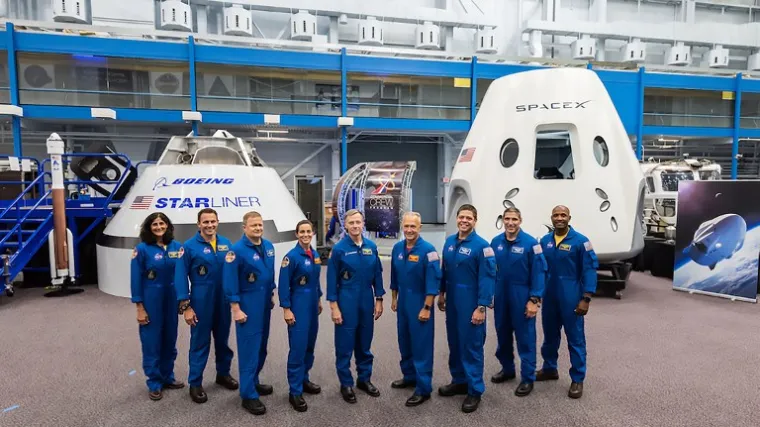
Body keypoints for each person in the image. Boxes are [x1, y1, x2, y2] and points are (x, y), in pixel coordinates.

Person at [174, 208, 238, 404]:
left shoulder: (226, 244)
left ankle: (223, 374)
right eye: (206, 222)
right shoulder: (189, 247)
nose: (210, 225)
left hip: (223, 300)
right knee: (199, 342)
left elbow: (233, 272)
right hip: (201, 300)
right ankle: (195, 383)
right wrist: (186, 306)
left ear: (217, 222)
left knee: (222, 340)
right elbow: (180, 276)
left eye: (213, 221)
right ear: (199, 224)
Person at [437, 204, 496, 413]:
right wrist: (442, 293)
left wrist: (481, 307)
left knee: (472, 345)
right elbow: (444, 270)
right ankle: (459, 381)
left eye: (469, 218)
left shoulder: (483, 246)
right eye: (461, 217)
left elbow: (488, 278)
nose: (464, 221)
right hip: (452, 300)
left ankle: (474, 389)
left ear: (475, 221)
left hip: (471, 301)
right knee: (455, 343)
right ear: (457, 218)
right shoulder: (449, 242)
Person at [537, 205, 599, 399]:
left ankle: (578, 378)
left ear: (569, 218)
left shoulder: (581, 242)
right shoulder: (545, 241)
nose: (559, 218)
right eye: (556, 215)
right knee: (550, 336)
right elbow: (539, 268)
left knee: (575, 338)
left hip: (571, 295)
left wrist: (586, 298)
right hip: (549, 296)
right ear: (551, 218)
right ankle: (549, 368)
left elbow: (590, 270)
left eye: (563, 215)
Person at [326, 209, 385, 404]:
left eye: (358, 222)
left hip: (366, 299)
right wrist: (334, 307)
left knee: (364, 342)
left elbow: (377, 274)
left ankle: (364, 379)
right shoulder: (339, 249)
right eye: (351, 223)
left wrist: (379, 299)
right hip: (346, 299)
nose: (355, 226)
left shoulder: (371, 247)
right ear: (345, 225)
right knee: (344, 344)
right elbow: (331, 280)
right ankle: (346, 383)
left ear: (363, 223)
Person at [222, 211, 277, 416]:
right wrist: (235, 308)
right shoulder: (235, 251)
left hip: (264, 302)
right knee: (249, 349)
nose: (258, 228)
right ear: (244, 227)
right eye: (253, 225)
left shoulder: (268, 247)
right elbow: (230, 281)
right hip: (247, 303)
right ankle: (248, 394)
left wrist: (271, 294)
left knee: (261, 346)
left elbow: (269, 274)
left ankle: (253, 381)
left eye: (260, 225)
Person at [489, 207, 547, 397]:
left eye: (514, 219)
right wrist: (489, 293)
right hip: (501, 295)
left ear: (520, 221)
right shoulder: (495, 242)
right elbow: (489, 270)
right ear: (503, 220)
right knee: (502, 333)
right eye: (507, 219)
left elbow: (539, 273)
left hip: (522, 294)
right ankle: (507, 369)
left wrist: (534, 299)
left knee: (525, 337)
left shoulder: (531, 244)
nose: (510, 223)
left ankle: (528, 377)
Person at [130, 212, 185, 401]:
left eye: (162, 223)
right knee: (152, 341)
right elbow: (135, 279)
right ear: (149, 227)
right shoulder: (142, 249)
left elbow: (182, 274)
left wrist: (183, 299)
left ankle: (168, 377)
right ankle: (154, 382)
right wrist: (139, 307)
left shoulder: (177, 247)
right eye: (155, 224)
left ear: (168, 226)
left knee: (170, 339)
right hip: (151, 298)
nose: (159, 227)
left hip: (171, 298)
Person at [389, 212, 441, 407]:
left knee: (421, 345)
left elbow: (433, 282)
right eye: (406, 226)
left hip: (420, 301)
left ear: (420, 228)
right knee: (404, 341)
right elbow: (394, 276)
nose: (409, 230)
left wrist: (427, 307)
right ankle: (409, 376)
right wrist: (394, 298)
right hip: (403, 300)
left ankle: (423, 388)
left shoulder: (429, 250)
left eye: (413, 226)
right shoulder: (397, 248)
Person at [278, 220, 324, 412]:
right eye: (302, 232)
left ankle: (304, 379)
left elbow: (315, 280)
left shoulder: (315, 254)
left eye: (308, 231)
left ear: (312, 233)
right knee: (297, 348)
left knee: (309, 346)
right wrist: (286, 308)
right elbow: (283, 285)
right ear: (297, 234)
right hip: (298, 305)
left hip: (312, 304)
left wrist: (319, 298)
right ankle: (295, 391)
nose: (305, 235)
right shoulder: (291, 257)